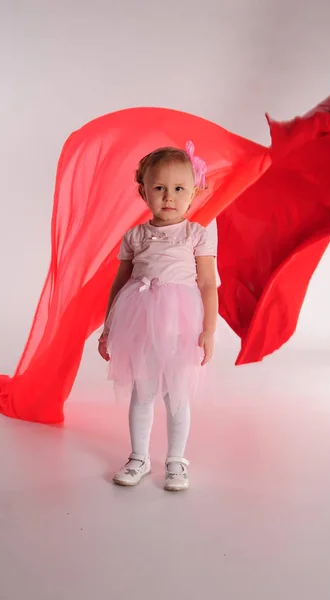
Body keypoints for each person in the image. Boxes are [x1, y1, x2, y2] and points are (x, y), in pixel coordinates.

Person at [98, 143, 218, 491]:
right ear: (143, 192)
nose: (169, 197)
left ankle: (176, 460)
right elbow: (120, 284)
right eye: (159, 188)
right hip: (140, 322)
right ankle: (139, 457)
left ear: (194, 191)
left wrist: (208, 330)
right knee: (143, 391)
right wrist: (109, 328)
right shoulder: (136, 236)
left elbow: (208, 283)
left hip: (180, 326)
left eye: (179, 188)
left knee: (177, 394)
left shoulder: (195, 234)